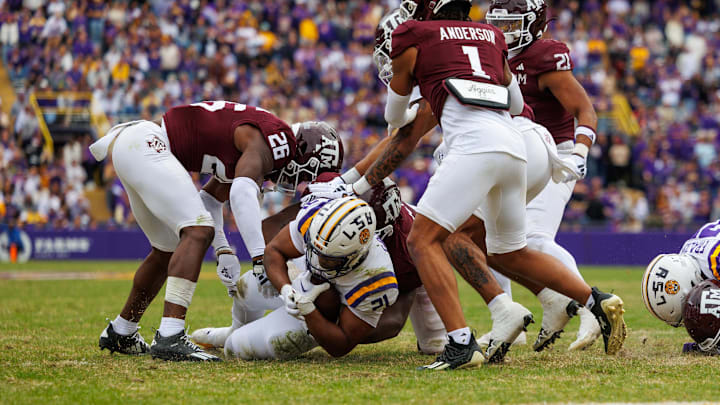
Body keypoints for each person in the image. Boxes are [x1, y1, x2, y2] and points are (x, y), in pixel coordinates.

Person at [315, 0, 625, 370]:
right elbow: (516, 102)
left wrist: (359, 176)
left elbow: (396, 121)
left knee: (423, 239)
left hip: (477, 146)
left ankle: (461, 342)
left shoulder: (414, 35)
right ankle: (594, 300)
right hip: (518, 145)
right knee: (509, 251)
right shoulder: (491, 35)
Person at [93, 101, 341, 361]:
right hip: (146, 144)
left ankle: (122, 330)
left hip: (135, 145)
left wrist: (223, 250)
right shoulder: (280, 142)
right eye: (310, 174)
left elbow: (210, 199)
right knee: (198, 231)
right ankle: (170, 335)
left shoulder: (256, 144)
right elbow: (242, 192)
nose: (300, 182)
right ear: (304, 152)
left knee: (167, 250)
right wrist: (260, 260)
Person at [192, 176, 448, 358]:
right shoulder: (322, 214)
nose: (318, 261)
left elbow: (387, 325)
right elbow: (275, 250)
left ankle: (237, 337)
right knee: (245, 288)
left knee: (238, 349)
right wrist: (285, 289)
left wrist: (319, 321)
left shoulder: (393, 265)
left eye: (328, 259)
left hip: (338, 306)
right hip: (320, 275)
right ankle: (233, 328)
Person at [486, 0, 602, 350]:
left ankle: (593, 307)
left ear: (534, 23)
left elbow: (585, 110)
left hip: (555, 155)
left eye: (511, 25)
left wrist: (580, 151)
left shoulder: (543, 56)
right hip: (513, 153)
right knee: (487, 237)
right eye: (499, 25)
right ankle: (509, 320)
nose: (503, 32)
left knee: (533, 238)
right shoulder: (490, 53)